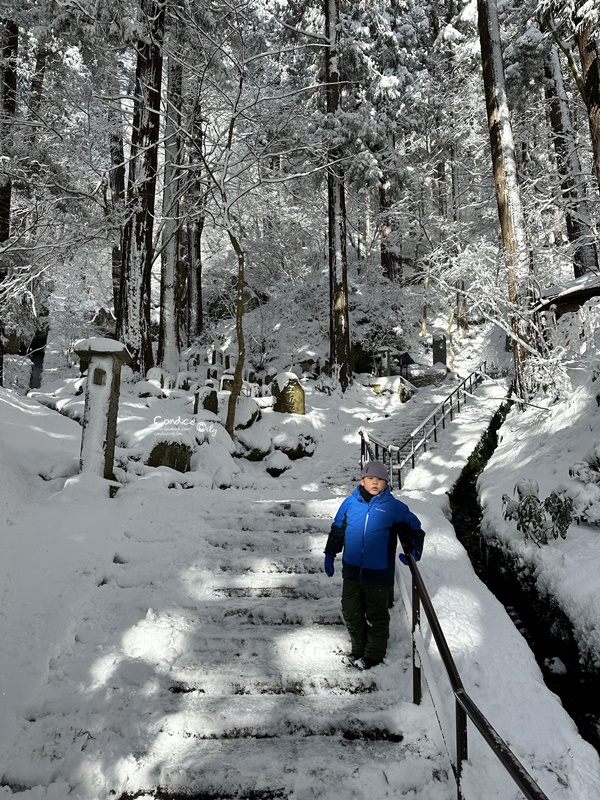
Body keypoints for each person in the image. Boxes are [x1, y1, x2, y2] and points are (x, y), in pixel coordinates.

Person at [323, 459, 425, 669]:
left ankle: (373, 655)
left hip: (378, 573)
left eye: (380, 479)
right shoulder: (349, 504)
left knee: (376, 615)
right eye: (370, 478)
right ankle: (358, 649)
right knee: (351, 611)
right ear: (362, 481)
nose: (375, 482)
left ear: (387, 483)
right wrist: (330, 553)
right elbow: (337, 529)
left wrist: (414, 550)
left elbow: (414, 528)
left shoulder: (394, 507)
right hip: (351, 570)